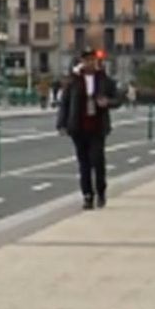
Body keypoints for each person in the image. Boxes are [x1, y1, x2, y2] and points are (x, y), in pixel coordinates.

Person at [57, 47, 122, 210]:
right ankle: (87, 195)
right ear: (81, 62)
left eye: (92, 60)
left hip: (97, 127)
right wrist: (61, 124)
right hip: (78, 127)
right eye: (86, 60)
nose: (89, 63)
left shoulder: (104, 79)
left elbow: (118, 99)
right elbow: (65, 103)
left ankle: (100, 191)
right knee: (83, 163)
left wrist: (107, 102)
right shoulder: (73, 80)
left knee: (97, 160)